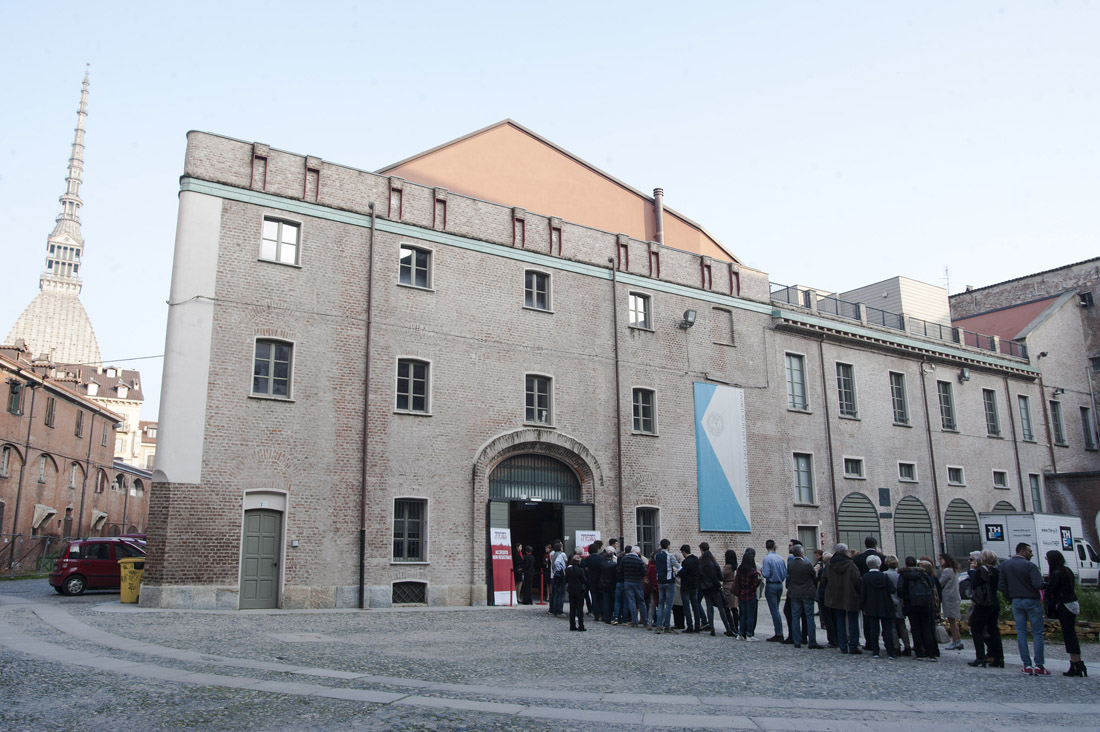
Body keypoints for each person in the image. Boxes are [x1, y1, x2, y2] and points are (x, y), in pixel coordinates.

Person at [999, 542, 1048, 675]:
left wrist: (1010, 597)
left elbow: (1002, 585)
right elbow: (1038, 584)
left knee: (1021, 633)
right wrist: (1046, 584)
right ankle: (1039, 665)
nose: (1031, 554)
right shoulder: (1030, 566)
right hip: (1031, 599)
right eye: (1029, 551)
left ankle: (1027, 665)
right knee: (1037, 633)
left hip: (1016, 600)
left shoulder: (1005, 565)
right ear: (1022, 551)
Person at [1045, 549, 1085, 677]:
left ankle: (1075, 663)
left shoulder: (1056, 573)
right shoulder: (1067, 570)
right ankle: (1077, 662)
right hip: (1072, 602)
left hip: (1064, 604)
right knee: (1070, 633)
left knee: (1069, 635)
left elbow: (1050, 589)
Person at [967, 549, 1003, 668]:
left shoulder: (982, 570)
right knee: (993, 629)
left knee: (976, 628)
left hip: (983, 602)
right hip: (994, 601)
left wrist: (972, 570)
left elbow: (974, 584)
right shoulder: (997, 570)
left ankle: (980, 656)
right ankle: (998, 657)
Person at [897, 555, 938, 661]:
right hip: (925, 602)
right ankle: (931, 653)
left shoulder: (903, 574)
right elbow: (931, 587)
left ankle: (919, 652)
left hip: (911, 603)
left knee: (915, 628)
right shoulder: (923, 573)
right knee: (926, 627)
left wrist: (903, 598)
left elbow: (900, 589)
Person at [824, 543, 862, 654]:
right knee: (853, 621)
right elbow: (857, 580)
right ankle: (853, 645)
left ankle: (843, 645)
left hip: (835, 595)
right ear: (846, 551)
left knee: (840, 620)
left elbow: (824, 579)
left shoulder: (830, 564)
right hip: (850, 595)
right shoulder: (851, 564)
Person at [859, 555, 897, 659]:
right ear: (879, 565)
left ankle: (875, 651)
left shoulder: (866, 577)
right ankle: (890, 652)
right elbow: (892, 590)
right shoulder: (884, 576)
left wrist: (863, 606)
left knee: (874, 630)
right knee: (887, 630)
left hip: (871, 605)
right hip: (885, 605)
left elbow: (863, 594)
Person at [786, 543, 822, 648]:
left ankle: (797, 641)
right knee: (809, 617)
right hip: (806, 592)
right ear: (802, 553)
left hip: (794, 593)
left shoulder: (790, 565)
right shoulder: (807, 564)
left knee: (795, 617)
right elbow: (814, 575)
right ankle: (812, 641)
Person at [854, 537, 885, 650]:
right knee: (884, 619)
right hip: (881, 593)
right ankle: (888, 643)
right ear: (875, 545)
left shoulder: (858, 559)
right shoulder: (882, 558)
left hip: (865, 592)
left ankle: (870, 643)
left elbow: (856, 576)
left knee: (867, 619)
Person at [699, 545, 731, 636]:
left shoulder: (701, 565)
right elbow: (721, 577)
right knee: (721, 608)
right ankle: (727, 628)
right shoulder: (714, 564)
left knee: (709, 608)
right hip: (715, 588)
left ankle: (712, 629)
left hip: (705, 589)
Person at [883, 555, 912, 657]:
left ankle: (896, 647)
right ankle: (907, 646)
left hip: (890, 601)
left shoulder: (885, 574)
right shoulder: (900, 574)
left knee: (892, 626)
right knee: (902, 625)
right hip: (900, 601)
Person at [761, 539, 788, 642]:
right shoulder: (780, 558)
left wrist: (762, 571)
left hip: (771, 585)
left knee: (774, 610)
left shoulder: (767, 559)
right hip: (780, 585)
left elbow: (766, 574)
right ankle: (779, 631)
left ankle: (779, 633)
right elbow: (784, 573)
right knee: (776, 609)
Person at [653, 539, 679, 634]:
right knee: (668, 604)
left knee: (660, 604)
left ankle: (659, 625)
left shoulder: (656, 556)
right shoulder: (670, 556)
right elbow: (678, 566)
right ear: (668, 546)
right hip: (669, 581)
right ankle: (667, 626)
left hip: (660, 581)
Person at [938, 553, 963, 650]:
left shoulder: (947, 571)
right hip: (955, 597)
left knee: (951, 621)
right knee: (953, 620)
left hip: (949, 597)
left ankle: (956, 641)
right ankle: (958, 640)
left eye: (941, 559)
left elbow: (940, 583)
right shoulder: (954, 570)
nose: (940, 561)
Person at [735, 548, 761, 640]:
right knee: (750, 616)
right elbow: (754, 585)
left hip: (742, 594)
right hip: (750, 595)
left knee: (743, 615)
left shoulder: (740, 570)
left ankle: (740, 633)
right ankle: (749, 634)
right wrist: (759, 579)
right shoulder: (753, 571)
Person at [679, 544, 705, 632]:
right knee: (695, 605)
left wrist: (678, 573)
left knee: (686, 606)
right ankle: (697, 626)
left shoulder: (685, 562)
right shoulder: (696, 560)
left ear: (683, 552)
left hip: (686, 586)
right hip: (695, 585)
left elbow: (683, 574)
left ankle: (690, 625)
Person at [620, 546, 647, 627]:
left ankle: (634, 621)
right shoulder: (639, 560)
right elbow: (644, 572)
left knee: (631, 601)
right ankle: (645, 621)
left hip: (627, 581)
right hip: (637, 582)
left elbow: (620, 570)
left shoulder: (624, 559)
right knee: (641, 601)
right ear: (638, 552)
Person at [583, 543, 606, 620]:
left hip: (591, 580)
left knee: (594, 597)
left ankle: (596, 614)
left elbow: (585, 570)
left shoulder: (587, 559)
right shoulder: (601, 558)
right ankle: (602, 614)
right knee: (601, 598)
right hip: (600, 580)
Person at [565, 555, 588, 631]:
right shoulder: (580, 570)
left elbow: (566, 580)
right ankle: (581, 625)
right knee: (580, 608)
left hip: (571, 589)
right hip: (579, 590)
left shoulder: (568, 570)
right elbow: (584, 580)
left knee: (572, 608)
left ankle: (572, 625)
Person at [722, 549, 740, 634]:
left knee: (727, 608)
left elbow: (721, 576)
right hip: (735, 586)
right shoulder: (735, 566)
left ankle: (732, 627)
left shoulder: (728, 567)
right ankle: (736, 625)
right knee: (734, 608)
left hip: (728, 588)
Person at [548, 540, 567, 617]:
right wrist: (560, 570)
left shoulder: (552, 553)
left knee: (555, 593)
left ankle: (553, 609)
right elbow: (558, 563)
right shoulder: (561, 555)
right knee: (560, 594)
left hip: (553, 575)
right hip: (559, 576)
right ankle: (559, 610)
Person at [599, 547, 617, 624]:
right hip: (612, 584)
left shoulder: (601, 564)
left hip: (603, 584)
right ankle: (611, 615)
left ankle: (606, 616)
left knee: (605, 601)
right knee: (612, 601)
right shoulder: (614, 565)